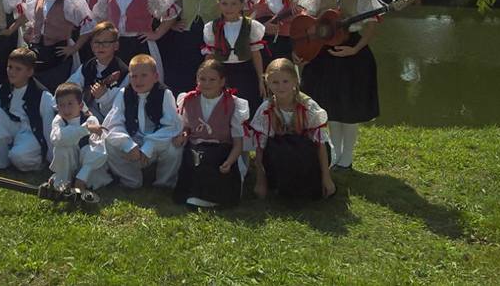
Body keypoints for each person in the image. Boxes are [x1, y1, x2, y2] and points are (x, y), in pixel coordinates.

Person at [296, 0, 382, 171]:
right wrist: (306, 48)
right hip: (324, 53)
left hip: (352, 53)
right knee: (331, 107)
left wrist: (355, 49)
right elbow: (305, 22)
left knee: (349, 108)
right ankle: (335, 154)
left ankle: (347, 157)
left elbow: (372, 26)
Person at [160, 0, 257, 95]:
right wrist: (172, 24)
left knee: (213, 79)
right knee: (184, 80)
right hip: (187, 38)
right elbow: (173, 5)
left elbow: (248, 5)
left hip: (215, 39)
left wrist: (229, 23)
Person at [249, 59, 335, 200]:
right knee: (278, 150)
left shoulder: (308, 106)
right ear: (267, 83)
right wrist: (260, 181)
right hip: (281, 155)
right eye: (275, 82)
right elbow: (260, 148)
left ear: (295, 81)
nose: (281, 87)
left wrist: (327, 178)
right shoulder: (266, 109)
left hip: (307, 153)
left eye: (285, 81)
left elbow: (320, 144)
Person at [172, 60, 248, 208]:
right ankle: (191, 194)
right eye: (202, 79)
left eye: (212, 80)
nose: (206, 83)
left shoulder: (233, 104)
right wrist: (184, 134)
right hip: (195, 146)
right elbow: (187, 126)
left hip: (222, 149)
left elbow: (238, 143)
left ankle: (211, 198)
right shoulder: (189, 100)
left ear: (222, 81)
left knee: (210, 159)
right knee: (193, 157)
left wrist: (230, 162)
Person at [103, 55, 183, 189]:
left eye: (144, 75)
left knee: (174, 146)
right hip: (133, 141)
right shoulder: (124, 93)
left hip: (156, 142)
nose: (138, 80)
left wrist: (149, 145)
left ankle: (164, 183)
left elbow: (172, 126)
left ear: (156, 77)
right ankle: (131, 180)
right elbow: (114, 124)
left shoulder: (165, 94)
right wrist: (128, 144)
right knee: (108, 142)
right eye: (134, 76)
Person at [91, 0, 174, 80]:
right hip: (116, 46)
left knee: (144, 81)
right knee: (117, 82)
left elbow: (171, 13)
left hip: (141, 45)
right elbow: (98, 18)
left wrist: (157, 33)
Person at [20, 0, 95, 91]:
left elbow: (88, 27)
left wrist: (74, 48)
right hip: (39, 52)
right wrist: (29, 36)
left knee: (59, 88)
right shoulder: (36, 0)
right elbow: (36, 23)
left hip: (59, 52)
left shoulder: (69, 2)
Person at [0, 48, 57, 172]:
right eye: (10, 67)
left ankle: (38, 162)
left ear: (29, 72)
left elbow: (48, 128)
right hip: (12, 126)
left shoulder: (43, 96)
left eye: (18, 69)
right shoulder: (3, 89)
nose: (12, 72)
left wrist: (51, 158)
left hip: (31, 132)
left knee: (18, 156)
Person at [201, 0, 266, 108]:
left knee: (247, 105)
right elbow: (210, 56)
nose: (229, 8)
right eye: (224, 4)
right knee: (224, 107)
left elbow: (256, 54)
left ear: (242, 5)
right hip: (221, 73)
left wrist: (260, 79)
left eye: (233, 4)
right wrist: (204, 76)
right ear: (219, 4)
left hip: (245, 72)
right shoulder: (212, 27)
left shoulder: (250, 25)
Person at [48, 83, 113, 190]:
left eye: (70, 104)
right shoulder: (59, 121)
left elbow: (99, 151)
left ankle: (79, 181)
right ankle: (63, 181)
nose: (66, 109)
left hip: (87, 169)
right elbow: (57, 139)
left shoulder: (91, 120)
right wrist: (85, 129)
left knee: (88, 149)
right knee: (62, 148)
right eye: (62, 105)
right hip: (69, 166)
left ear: (81, 105)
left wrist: (82, 176)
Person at [66, 22, 130, 122]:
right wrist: (85, 111)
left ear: (116, 45)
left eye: (106, 42)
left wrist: (104, 97)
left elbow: (121, 108)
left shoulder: (123, 73)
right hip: (86, 119)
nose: (100, 46)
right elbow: (68, 89)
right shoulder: (87, 67)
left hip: (112, 122)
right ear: (91, 45)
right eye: (96, 42)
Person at [251, 0, 302, 65]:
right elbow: (245, 26)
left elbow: (299, 29)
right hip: (261, 51)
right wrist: (263, 28)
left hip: (285, 50)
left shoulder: (294, 0)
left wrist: (296, 50)